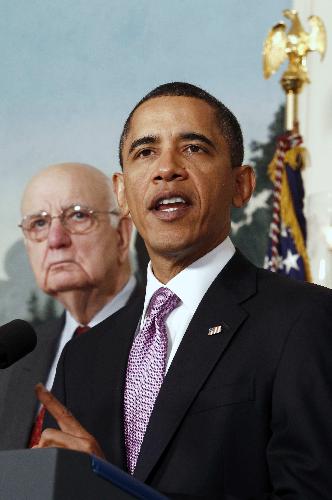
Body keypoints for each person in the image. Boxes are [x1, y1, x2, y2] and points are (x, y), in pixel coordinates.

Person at [38, 85, 332, 499]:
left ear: (241, 185)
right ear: (122, 193)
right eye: (145, 152)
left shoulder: (303, 320)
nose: (167, 169)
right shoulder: (82, 359)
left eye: (194, 149)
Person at [0, 162, 141, 451]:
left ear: (122, 235)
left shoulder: (169, 332)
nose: (56, 240)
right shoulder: (14, 359)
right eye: (39, 223)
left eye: (78, 216)